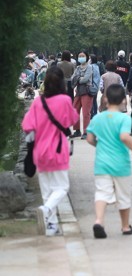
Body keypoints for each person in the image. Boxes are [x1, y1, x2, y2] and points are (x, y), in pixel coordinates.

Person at [86, 84, 132, 239]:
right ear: (123, 100)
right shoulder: (124, 118)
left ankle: (99, 221)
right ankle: (125, 226)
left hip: (102, 163)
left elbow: (89, 139)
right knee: (123, 195)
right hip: (121, 164)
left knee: (102, 193)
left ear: (105, 98)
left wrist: (100, 145)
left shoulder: (97, 118)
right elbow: (124, 137)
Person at [22, 66, 79, 236]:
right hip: (58, 150)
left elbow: (27, 125)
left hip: (40, 151)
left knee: (47, 190)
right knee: (61, 187)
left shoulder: (38, 102)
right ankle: (46, 210)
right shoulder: (64, 100)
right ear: (62, 82)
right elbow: (73, 119)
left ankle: (52, 226)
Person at [70, 51, 93, 139]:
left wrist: (78, 78)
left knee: (86, 113)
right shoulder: (78, 67)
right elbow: (72, 78)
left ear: (87, 57)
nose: (81, 57)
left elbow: (85, 79)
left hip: (87, 91)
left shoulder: (89, 67)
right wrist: (80, 78)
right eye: (79, 56)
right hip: (78, 91)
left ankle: (86, 131)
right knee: (75, 110)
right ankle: (77, 130)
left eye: (83, 56)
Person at [90, 54, 101, 119]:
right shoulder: (97, 66)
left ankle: (92, 114)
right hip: (96, 86)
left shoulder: (91, 67)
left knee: (91, 101)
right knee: (94, 101)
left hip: (92, 86)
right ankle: (95, 113)